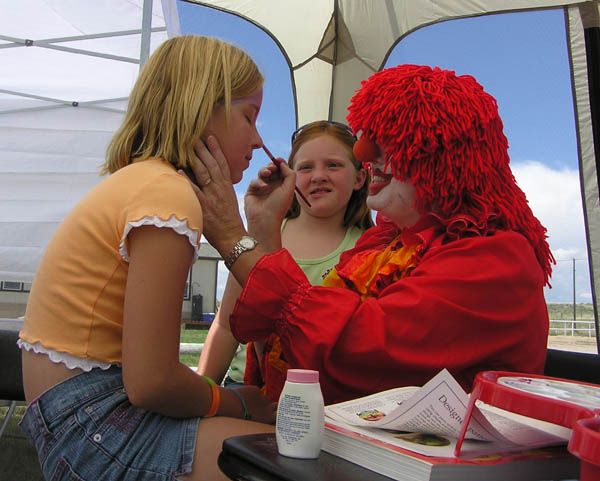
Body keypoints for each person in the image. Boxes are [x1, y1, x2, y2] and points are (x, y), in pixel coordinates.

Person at [188, 64, 554, 406]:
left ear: (441, 152)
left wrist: (231, 237)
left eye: (387, 138)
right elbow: (291, 342)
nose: (363, 152)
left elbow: (355, 346)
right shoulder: (382, 246)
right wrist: (264, 231)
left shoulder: (497, 260)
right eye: (367, 137)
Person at [18, 36, 276, 481]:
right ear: (200, 107)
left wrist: (259, 224)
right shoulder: (168, 196)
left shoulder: (142, 182)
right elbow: (153, 381)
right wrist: (236, 401)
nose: (258, 139)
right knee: (285, 458)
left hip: (73, 414)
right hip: (96, 424)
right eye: (249, 116)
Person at [197, 120, 373, 396]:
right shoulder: (261, 236)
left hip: (324, 399)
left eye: (333, 165)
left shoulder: (369, 249)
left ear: (360, 178)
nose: (318, 176)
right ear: (289, 176)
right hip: (249, 390)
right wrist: (203, 393)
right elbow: (225, 325)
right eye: (305, 167)